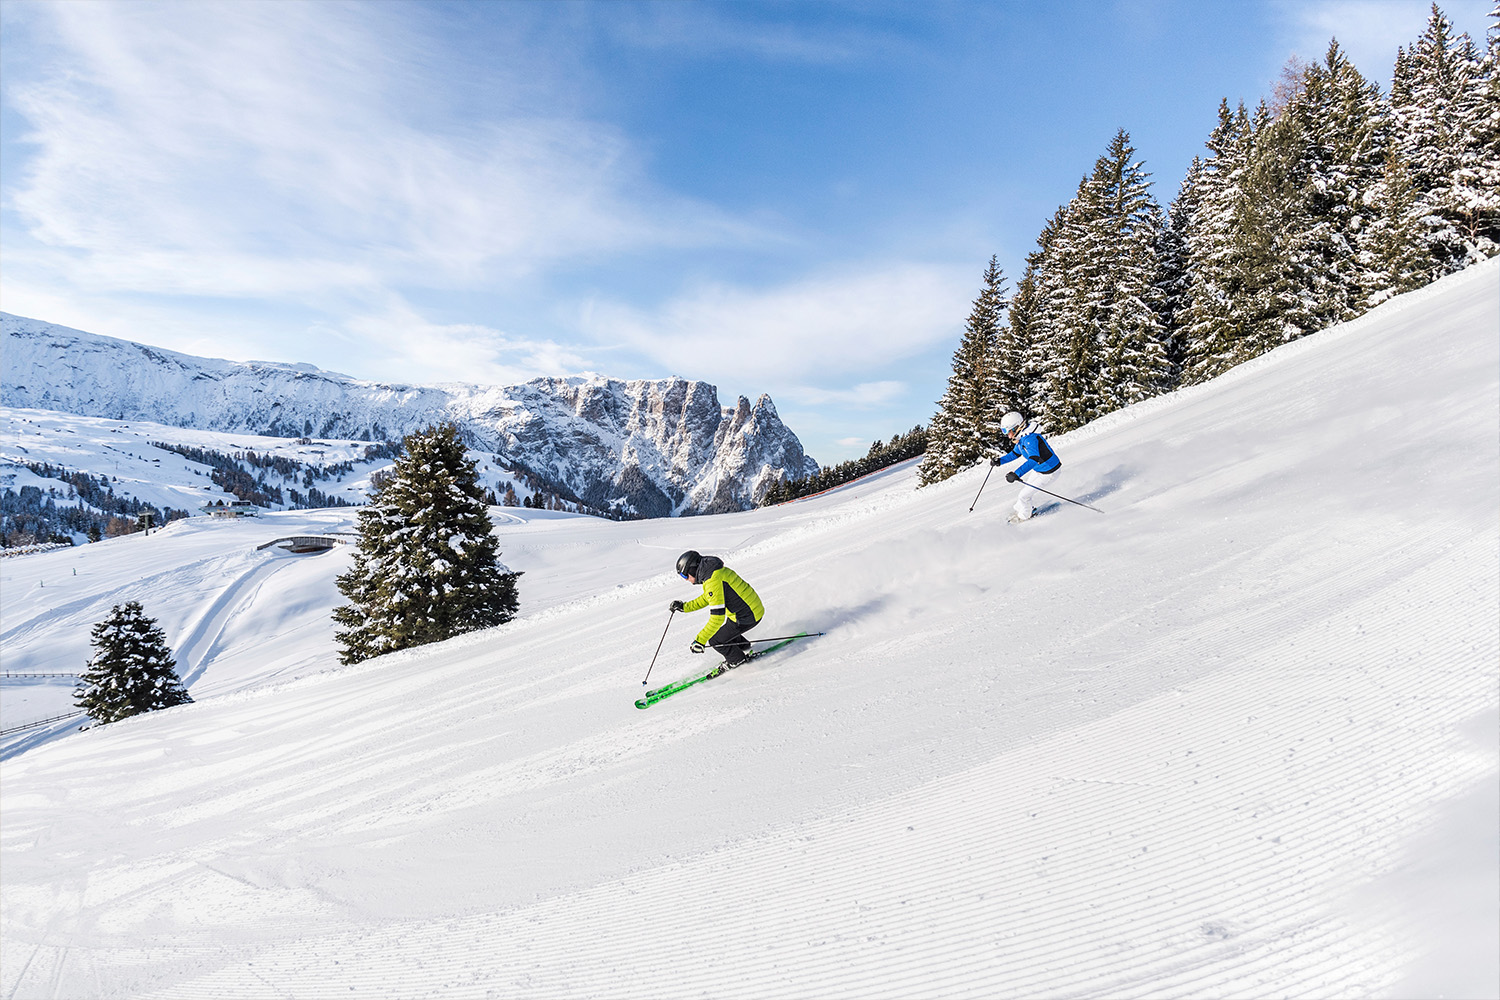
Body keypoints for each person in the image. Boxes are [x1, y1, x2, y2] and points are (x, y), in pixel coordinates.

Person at [669, 550, 763, 669]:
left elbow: (717, 617)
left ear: (692, 569)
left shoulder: (712, 580)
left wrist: (700, 640)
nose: (686, 579)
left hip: (747, 615)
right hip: (750, 610)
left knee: (716, 641)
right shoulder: (713, 572)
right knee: (727, 631)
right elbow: (708, 597)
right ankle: (745, 647)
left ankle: (738, 660)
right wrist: (684, 607)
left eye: (684, 575)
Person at [990, 411, 1062, 523]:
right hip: (1040, 470)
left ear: (1016, 428)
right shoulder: (1021, 439)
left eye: (1007, 431)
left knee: (1023, 496)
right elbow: (1015, 454)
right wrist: (1000, 461)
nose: (1007, 435)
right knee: (1024, 495)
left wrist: (1016, 474)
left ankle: (1025, 517)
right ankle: (1024, 510)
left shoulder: (1029, 439)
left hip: (1049, 472)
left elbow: (1034, 459)